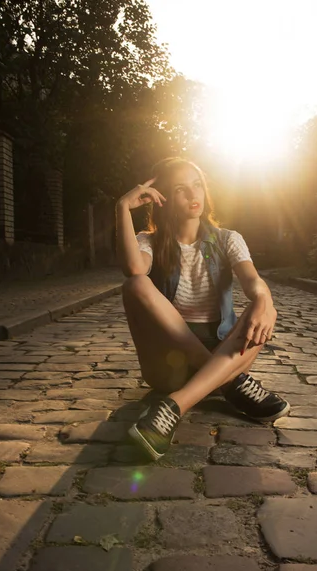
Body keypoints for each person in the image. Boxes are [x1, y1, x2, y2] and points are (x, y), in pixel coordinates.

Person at [116, 157, 290, 461]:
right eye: (181, 189)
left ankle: (175, 406)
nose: (193, 195)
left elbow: (253, 282)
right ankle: (230, 384)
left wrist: (264, 301)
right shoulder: (150, 242)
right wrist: (121, 208)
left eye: (197, 185)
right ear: (164, 200)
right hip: (172, 365)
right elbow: (133, 268)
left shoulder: (228, 239)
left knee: (263, 306)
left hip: (225, 351)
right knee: (136, 285)